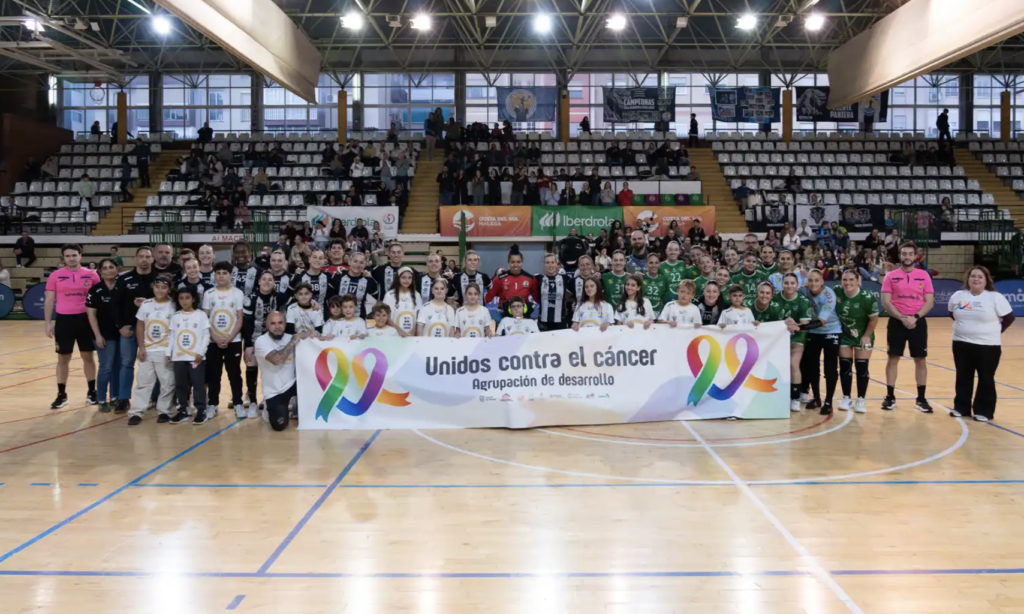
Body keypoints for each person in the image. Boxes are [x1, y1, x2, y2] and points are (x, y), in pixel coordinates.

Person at [948, 266, 1015, 422]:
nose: (976, 279)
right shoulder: (958, 296)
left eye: (980, 277)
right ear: (968, 278)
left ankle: (984, 410)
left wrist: (994, 331)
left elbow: (1009, 318)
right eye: (973, 276)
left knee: (986, 377)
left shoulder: (994, 297)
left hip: (988, 346)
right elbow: (952, 313)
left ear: (986, 280)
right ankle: (961, 407)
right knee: (963, 375)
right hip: (961, 343)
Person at [880, 241, 935, 412]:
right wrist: (902, 318)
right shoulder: (890, 276)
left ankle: (921, 398)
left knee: (920, 360)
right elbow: (886, 302)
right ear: (899, 256)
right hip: (897, 322)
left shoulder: (924, 275)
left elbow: (929, 301)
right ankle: (890, 396)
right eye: (904, 253)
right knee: (893, 359)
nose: (907, 257)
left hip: (918, 322)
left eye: (910, 254)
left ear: (916, 256)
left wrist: (915, 317)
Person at [44, 244, 100, 409]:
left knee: (88, 356)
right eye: (68, 256)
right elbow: (49, 300)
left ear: (80, 256)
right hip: (64, 321)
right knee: (63, 358)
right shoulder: (55, 276)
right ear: (63, 257)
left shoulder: (92, 275)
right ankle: (61, 395)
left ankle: (92, 392)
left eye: (74, 255)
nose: (71, 258)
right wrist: (48, 322)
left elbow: (98, 299)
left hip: (85, 320)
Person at [112, 246, 156, 412]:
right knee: (126, 363)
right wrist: (120, 326)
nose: (144, 259)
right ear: (136, 259)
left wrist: (148, 302)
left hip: (152, 330)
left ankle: (154, 397)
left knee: (154, 364)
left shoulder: (159, 278)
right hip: (129, 329)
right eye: (141, 256)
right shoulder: (124, 279)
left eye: (148, 256)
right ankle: (123, 398)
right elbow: (115, 305)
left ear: (152, 259)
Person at [127, 275, 176, 425]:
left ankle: (164, 411)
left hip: (165, 350)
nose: (160, 290)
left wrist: (171, 350)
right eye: (157, 287)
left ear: (169, 289)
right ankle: (137, 412)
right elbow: (140, 326)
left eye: (164, 287)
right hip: (148, 349)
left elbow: (176, 329)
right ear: (153, 288)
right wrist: (141, 347)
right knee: (144, 382)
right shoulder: (146, 304)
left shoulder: (174, 305)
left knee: (167, 382)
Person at [202, 261, 246, 419]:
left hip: (233, 341)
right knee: (214, 374)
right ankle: (212, 404)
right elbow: (204, 318)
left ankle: (238, 403)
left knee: (234, 373)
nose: (221, 276)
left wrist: (230, 337)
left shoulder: (237, 293)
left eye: (224, 273)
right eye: (218, 273)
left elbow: (239, 319)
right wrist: (214, 337)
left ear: (230, 275)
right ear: (214, 275)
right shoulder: (209, 294)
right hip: (213, 341)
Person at [834, 269, 879, 414]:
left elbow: (874, 319)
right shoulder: (836, 292)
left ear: (858, 281)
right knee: (845, 365)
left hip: (863, 334)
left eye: (851, 279)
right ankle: (846, 397)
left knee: (862, 367)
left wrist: (866, 335)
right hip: (845, 334)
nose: (847, 283)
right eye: (844, 280)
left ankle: (861, 399)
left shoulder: (867, 297)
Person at [800, 269, 842, 415]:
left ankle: (828, 401)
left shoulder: (829, 295)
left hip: (831, 331)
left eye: (817, 280)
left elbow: (821, 322)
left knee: (830, 367)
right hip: (813, 333)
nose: (813, 283)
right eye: (810, 280)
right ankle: (816, 398)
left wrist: (800, 327)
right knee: (812, 366)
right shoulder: (803, 291)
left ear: (822, 282)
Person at [254, 311, 305, 431]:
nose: (277, 327)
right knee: (279, 426)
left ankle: (295, 405)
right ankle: (269, 407)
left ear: (285, 324)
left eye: (280, 323)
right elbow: (277, 359)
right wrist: (292, 342)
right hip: (274, 392)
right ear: (267, 326)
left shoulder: (290, 336)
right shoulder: (261, 341)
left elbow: (309, 337)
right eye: (273, 323)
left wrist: (316, 334)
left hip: (292, 385)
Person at [167, 286, 210, 424]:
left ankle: (201, 410)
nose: (184, 301)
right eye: (181, 298)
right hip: (179, 357)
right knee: (181, 384)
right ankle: (183, 411)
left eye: (187, 298)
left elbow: (206, 336)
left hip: (195, 357)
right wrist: (169, 352)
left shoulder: (201, 315)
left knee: (198, 384)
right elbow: (172, 336)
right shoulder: (175, 316)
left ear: (193, 299)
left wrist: (201, 353)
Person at [85, 258, 122, 413]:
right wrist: (98, 335)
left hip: (122, 334)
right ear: (100, 271)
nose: (108, 270)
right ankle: (101, 399)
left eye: (111, 267)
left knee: (117, 367)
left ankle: (114, 397)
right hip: (104, 335)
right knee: (106, 367)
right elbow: (91, 314)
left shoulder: (122, 287)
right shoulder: (95, 290)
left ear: (117, 269)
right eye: (105, 268)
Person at [777, 273, 813, 412]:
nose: (789, 286)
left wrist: (794, 325)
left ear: (797, 285)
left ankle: (795, 398)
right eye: (786, 283)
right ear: (782, 284)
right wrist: (783, 323)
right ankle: (779, 394)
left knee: (793, 364)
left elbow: (804, 325)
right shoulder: (775, 298)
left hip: (797, 337)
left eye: (792, 283)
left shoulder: (803, 301)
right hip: (778, 337)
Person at [531, 254, 574, 332]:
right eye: (547, 263)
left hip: (560, 321)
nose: (550, 265)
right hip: (543, 322)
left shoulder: (565, 278)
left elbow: (576, 290)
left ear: (557, 264)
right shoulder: (538, 279)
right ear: (544, 264)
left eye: (552, 262)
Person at [485, 249, 533, 315]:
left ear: (522, 262)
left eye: (518, 262)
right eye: (512, 262)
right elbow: (487, 297)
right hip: (504, 315)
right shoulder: (499, 278)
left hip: (523, 316)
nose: (515, 265)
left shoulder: (530, 278)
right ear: (508, 262)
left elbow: (538, 298)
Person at [335, 252, 378, 319]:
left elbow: (376, 297)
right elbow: (330, 297)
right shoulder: (339, 276)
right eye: (355, 261)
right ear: (349, 262)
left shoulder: (368, 281)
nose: (358, 265)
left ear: (365, 265)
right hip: (339, 318)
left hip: (359, 318)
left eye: (361, 263)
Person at [383, 266, 423, 337]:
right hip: (393, 335)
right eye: (403, 277)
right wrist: (399, 330)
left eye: (409, 278)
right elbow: (385, 317)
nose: (406, 280)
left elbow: (419, 317)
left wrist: (417, 333)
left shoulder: (416, 295)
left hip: (411, 336)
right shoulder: (389, 295)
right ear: (398, 278)